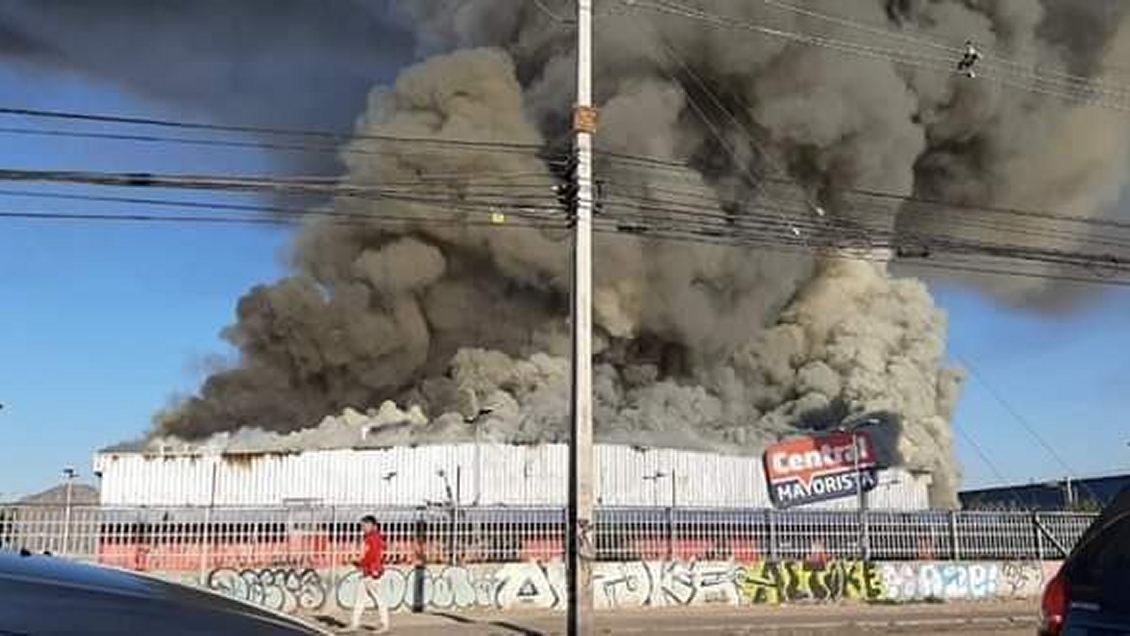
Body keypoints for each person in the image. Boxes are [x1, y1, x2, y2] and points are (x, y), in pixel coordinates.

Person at [347, 515, 389, 634]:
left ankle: (384, 624)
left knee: (378, 598)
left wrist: (359, 562)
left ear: (373, 525)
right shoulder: (372, 538)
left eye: (365, 525)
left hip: (372, 572)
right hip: (368, 571)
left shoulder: (373, 538)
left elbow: (372, 556)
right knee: (360, 599)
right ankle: (354, 623)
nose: (363, 527)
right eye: (362, 525)